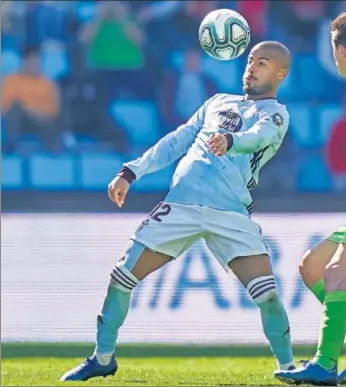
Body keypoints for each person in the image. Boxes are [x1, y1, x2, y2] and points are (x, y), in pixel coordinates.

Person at [60, 41, 294, 382]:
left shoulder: (275, 114)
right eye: (250, 61)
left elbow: (258, 137)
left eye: (263, 62)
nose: (252, 67)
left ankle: (288, 368)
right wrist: (131, 171)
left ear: (281, 73)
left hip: (230, 213)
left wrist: (231, 141)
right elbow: (177, 139)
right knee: (122, 275)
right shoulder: (217, 102)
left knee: (267, 295)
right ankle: (103, 357)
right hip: (181, 203)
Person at [275, 11, 346, 386]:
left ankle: (325, 364)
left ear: (341, 51)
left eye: (332, 46)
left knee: (336, 273)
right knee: (313, 267)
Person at [2, 45, 62, 153]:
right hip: (21, 120)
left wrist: (40, 114)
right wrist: (29, 111)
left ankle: (56, 153)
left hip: (42, 121)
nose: (36, 65)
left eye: (38, 62)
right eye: (33, 62)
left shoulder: (47, 82)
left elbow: (54, 108)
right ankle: (11, 146)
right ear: (24, 62)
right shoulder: (11, 80)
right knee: (15, 108)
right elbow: (5, 106)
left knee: (52, 122)